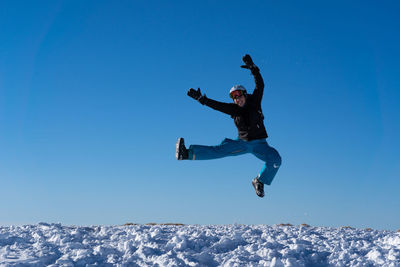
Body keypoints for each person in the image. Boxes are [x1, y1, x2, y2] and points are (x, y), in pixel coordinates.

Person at [176, 54, 281, 198]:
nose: (237, 98)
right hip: (242, 143)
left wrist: (253, 69)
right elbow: (218, 106)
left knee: (275, 159)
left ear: (245, 93)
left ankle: (259, 181)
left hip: (260, 144)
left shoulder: (255, 101)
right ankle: (185, 154)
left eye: (238, 94)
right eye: (233, 96)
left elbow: (260, 85)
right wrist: (202, 99)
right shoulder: (234, 110)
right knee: (218, 151)